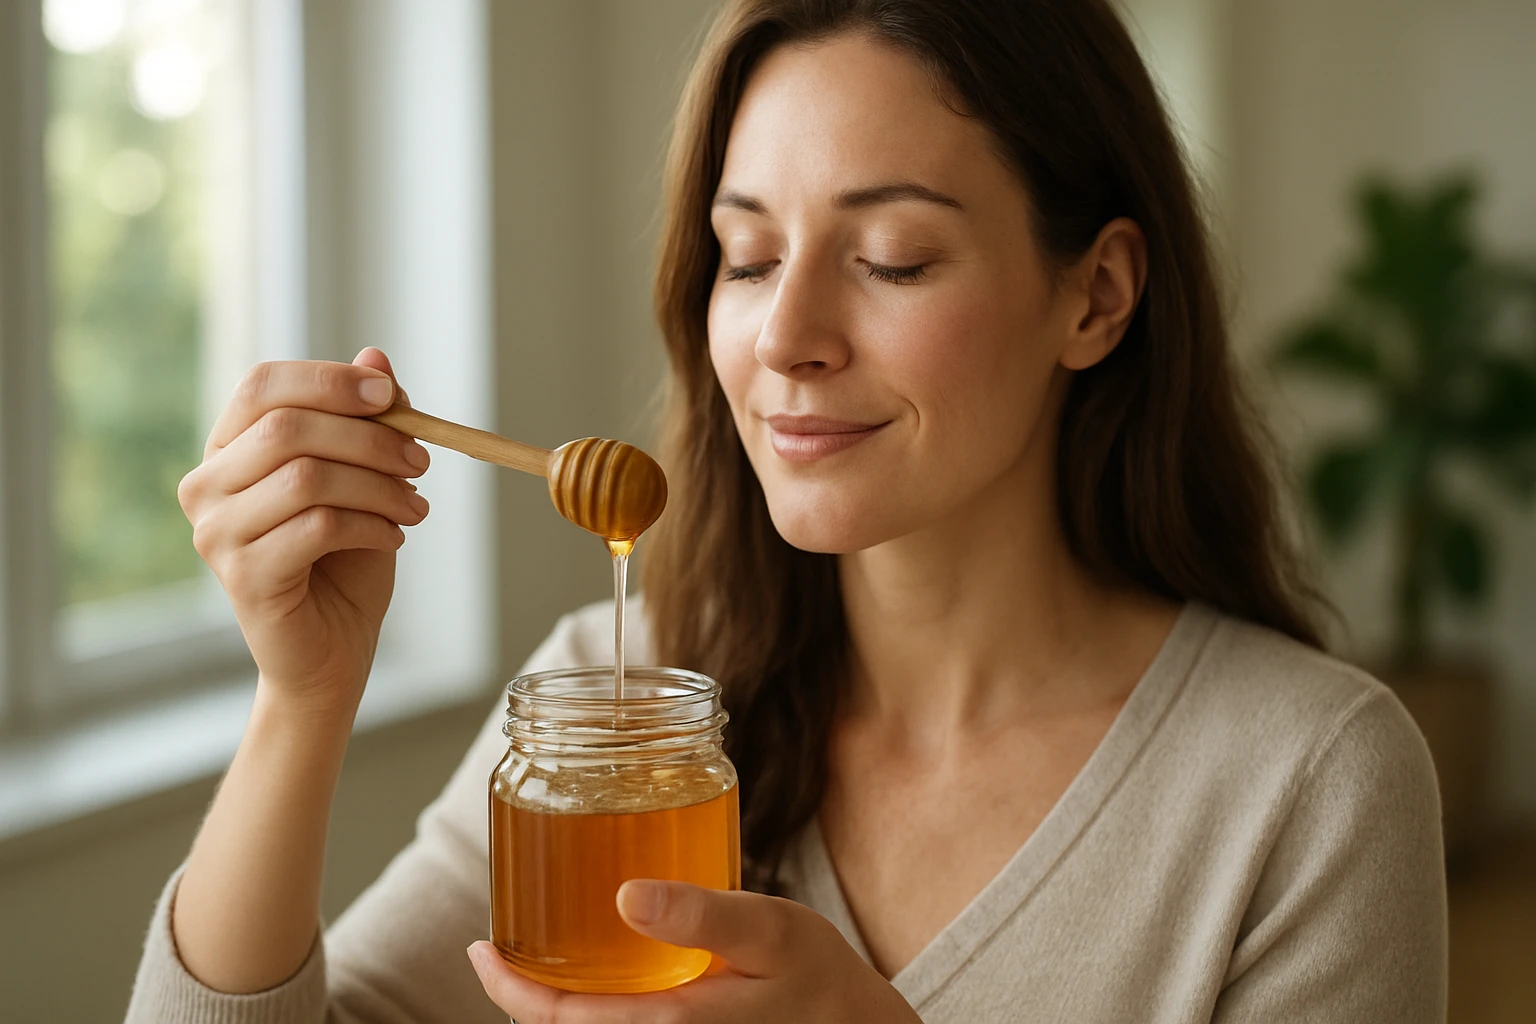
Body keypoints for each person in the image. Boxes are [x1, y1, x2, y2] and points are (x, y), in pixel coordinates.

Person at [126, 1, 1447, 1021]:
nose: (787, 336)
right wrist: (302, 701)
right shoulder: (615, 700)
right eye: (747, 257)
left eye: (891, 258)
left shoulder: (1306, 782)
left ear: (1095, 296)